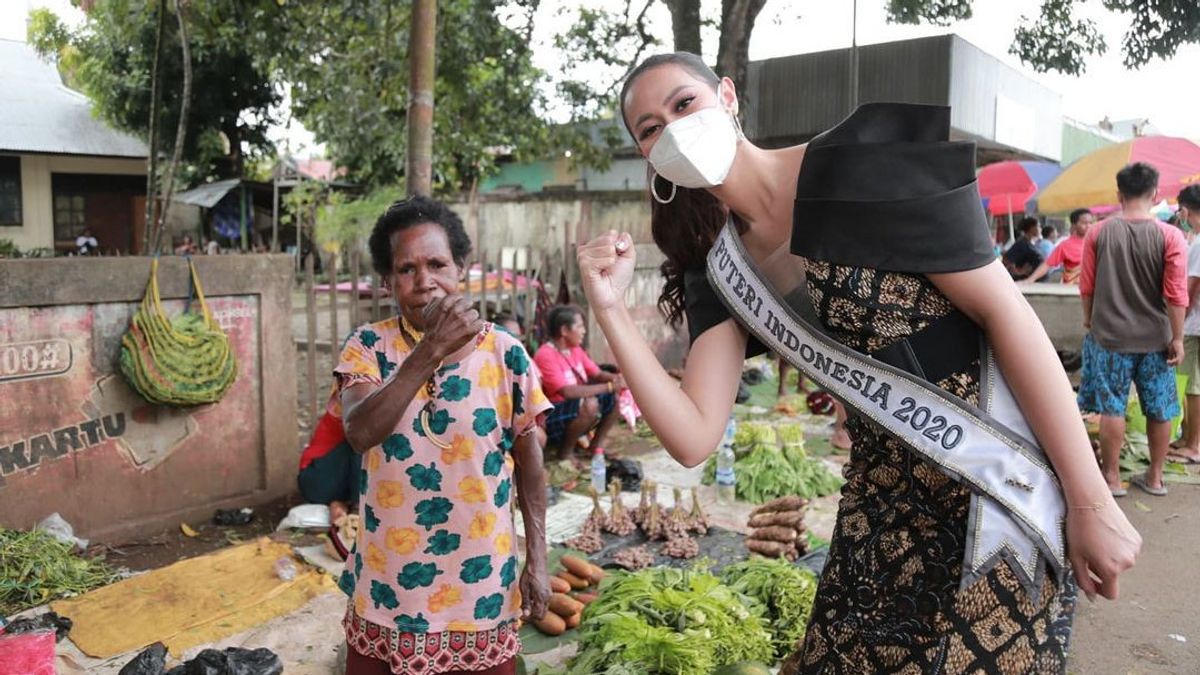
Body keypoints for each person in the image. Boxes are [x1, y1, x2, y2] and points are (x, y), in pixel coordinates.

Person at [576, 52, 1139, 673]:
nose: (674, 129)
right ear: (648, 158)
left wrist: (1090, 502)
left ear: (728, 98)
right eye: (650, 128)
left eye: (685, 104)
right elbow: (691, 435)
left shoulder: (858, 169)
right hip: (881, 513)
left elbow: (1009, 316)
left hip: (998, 495)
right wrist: (611, 309)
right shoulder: (721, 271)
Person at [336, 196, 552, 675]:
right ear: (389, 281)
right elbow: (359, 431)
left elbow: (531, 466)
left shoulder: (506, 353)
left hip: (480, 585)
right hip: (391, 584)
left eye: (437, 264)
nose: (424, 281)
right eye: (407, 269)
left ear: (461, 269)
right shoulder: (368, 347)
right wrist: (429, 351)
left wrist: (537, 558)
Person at [1079, 162, 1188, 498]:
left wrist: (1089, 321)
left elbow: (1087, 286)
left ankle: (1112, 480)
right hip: (1157, 340)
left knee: (1112, 407)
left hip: (1109, 338)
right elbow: (1175, 293)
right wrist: (1178, 337)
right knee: (1159, 408)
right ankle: (1155, 478)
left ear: (1119, 194)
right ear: (1155, 195)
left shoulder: (1097, 232)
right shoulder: (1171, 236)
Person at [532, 305, 623, 462]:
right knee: (590, 404)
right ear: (564, 330)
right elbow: (566, 392)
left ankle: (595, 446)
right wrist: (609, 386)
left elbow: (598, 373)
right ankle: (565, 454)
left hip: (575, 407)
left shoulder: (575, 350)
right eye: (579, 326)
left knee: (616, 399)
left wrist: (617, 379)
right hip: (553, 414)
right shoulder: (545, 355)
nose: (584, 331)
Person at [1169, 184, 1200, 464]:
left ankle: (1194, 445)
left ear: (1187, 210)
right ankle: (1188, 437)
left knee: (1192, 385)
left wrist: (1176, 327)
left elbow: (1190, 289)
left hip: (1195, 325)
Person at [1021, 208, 1095, 285]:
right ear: (1074, 225)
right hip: (1074, 291)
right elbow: (1047, 264)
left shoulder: (1097, 242)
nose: (1088, 226)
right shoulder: (1065, 245)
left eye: (1090, 223)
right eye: (1084, 223)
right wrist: (1030, 280)